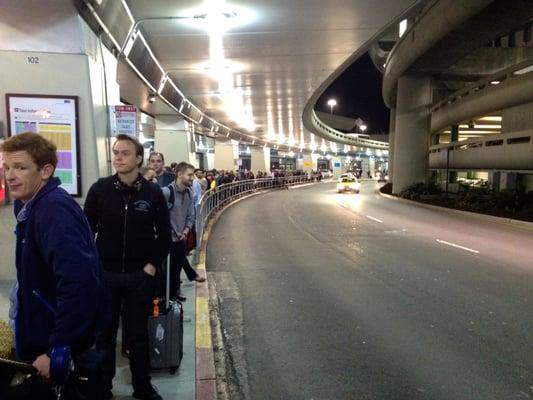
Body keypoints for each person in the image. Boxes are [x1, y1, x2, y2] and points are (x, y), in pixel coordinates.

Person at [1, 132, 108, 396]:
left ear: (45, 170)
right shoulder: (32, 207)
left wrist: (58, 347)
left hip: (54, 348)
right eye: (7, 167)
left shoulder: (53, 211)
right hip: (43, 338)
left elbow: (79, 284)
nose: (10, 175)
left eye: (20, 167)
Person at [84, 134, 171, 400]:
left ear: (138, 158)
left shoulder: (153, 192)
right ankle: (102, 387)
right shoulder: (100, 190)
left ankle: (142, 387)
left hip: (138, 276)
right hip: (106, 275)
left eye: (124, 153)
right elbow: (86, 232)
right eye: (115, 152)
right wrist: (94, 267)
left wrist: (151, 267)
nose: (118, 157)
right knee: (105, 335)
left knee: (137, 335)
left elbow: (165, 236)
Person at [162, 162, 205, 302]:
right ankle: (169, 297)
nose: (192, 178)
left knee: (176, 270)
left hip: (181, 238)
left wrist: (186, 231)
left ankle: (174, 295)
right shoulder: (166, 192)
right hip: (168, 240)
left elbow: (190, 215)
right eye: (190, 175)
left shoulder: (190, 193)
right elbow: (160, 216)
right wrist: (173, 231)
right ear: (179, 174)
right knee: (169, 271)